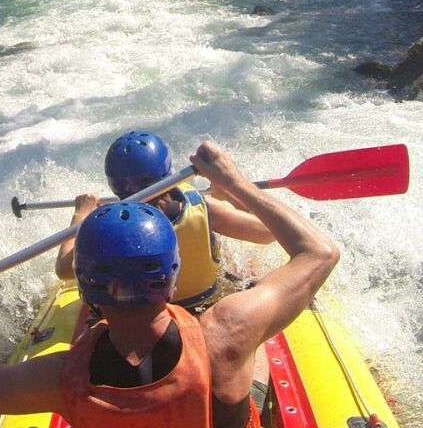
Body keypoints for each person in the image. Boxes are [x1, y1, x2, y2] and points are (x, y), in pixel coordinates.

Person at [0, 140, 340, 428]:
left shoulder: (61, 377)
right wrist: (236, 182)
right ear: (172, 279)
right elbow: (320, 251)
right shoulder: (230, 329)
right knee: (258, 352)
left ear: (82, 284)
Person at [55, 130, 274, 308]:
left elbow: (64, 271)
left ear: (113, 184)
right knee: (236, 260)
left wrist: (81, 216)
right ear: (167, 173)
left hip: (146, 319)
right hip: (203, 305)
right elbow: (267, 233)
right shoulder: (200, 206)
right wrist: (230, 194)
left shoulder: (108, 227)